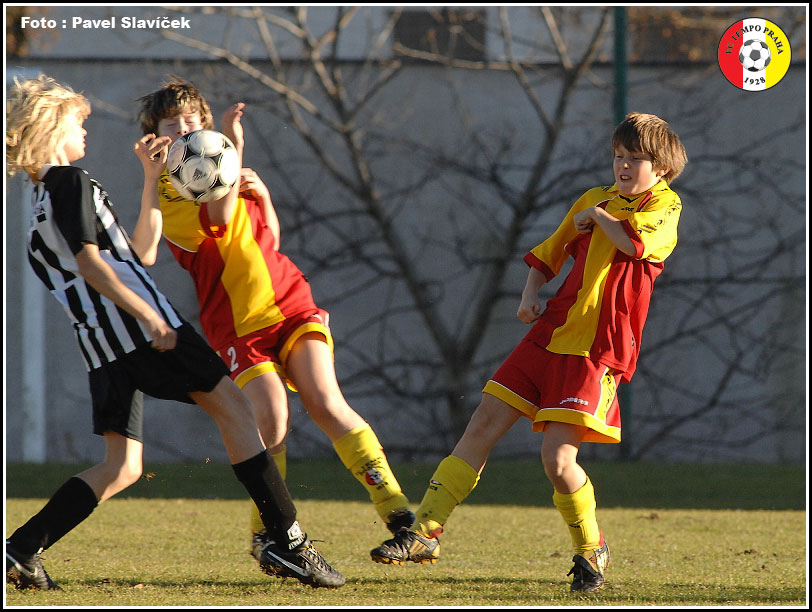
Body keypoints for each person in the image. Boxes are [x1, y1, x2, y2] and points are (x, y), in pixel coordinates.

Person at [5, 75, 344, 590]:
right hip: (136, 329)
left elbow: (135, 255)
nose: (85, 131)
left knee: (122, 466)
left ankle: (20, 549)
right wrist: (148, 314)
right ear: (52, 127)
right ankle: (286, 540)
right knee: (235, 408)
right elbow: (92, 264)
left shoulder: (39, 201)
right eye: (78, 122)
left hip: (102, 345)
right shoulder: (68, 182)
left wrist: (151, 179)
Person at [370, 112, 687, 593]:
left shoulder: (665, 205)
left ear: (661, 167)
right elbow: (549, 253)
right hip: (550, 333)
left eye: (635, 158)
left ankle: (591, 549)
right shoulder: (594, 199)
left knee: (557, 461)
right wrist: (529, 294)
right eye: (618, 156)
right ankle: (424, 532)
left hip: (596, 349)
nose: (623, 165)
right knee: (482, 422)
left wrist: (599, 219)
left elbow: (632, 243)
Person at [133, 78, 414, 570]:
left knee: (326, 402)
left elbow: (268, 239)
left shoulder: (223, 164)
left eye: (192, 120)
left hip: (289, 301)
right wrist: (232, 150)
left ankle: (401, 517)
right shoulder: (170, 191)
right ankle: (267, 535)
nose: (185, 129)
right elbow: (220, 216)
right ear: (156, 136)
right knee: (273, 420)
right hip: (238, 323)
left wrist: (261, 193)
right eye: (172, 125)